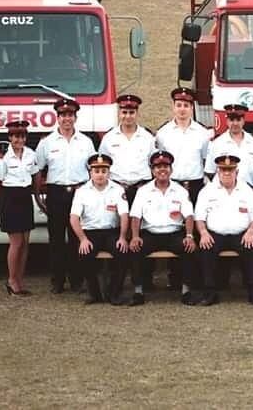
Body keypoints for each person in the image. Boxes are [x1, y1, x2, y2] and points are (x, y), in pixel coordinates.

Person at [35, 98, 95, 294]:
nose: (66, 119)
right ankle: (57, 280)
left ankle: (77, 279)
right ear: (57, 118)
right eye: (62, 115)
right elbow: (38, 170)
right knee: (56, 239)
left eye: (70, 115)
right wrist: (38, 196)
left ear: (75, 117)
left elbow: (93, 170)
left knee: (77, 238)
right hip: (55, 193)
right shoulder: (47, 143)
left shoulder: (86, 142)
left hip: (78, 193)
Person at [128, 150, 198, 306]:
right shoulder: (143, 191)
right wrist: (134, 236)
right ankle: (138, 291)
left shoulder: (180, 190)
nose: (162, 170)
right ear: (152, 171)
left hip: (174, 233)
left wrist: (189, 236)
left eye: (166, 166)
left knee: (189, 248)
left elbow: (188, 215)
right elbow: (135, 216)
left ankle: (186, 291)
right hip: (150, 233)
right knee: (135, 248)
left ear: (171, 170)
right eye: (158, 167)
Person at [195, 154, 253, 305]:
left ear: (236, 172)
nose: (226, 173)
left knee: (252, 248)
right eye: (223, 170)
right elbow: (199, 217)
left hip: (241, 234)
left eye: (230, 170)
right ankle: (209, 292)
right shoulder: (207, 191)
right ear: (217, 172)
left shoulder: (247, 191)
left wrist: (251, 231)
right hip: (215, 233)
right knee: (206, 248)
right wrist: (203, 232)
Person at [69, 154, 129, 305]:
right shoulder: (81, 191)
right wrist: (82, 239)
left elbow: (124, 215)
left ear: (109, 172)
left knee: (122, 252)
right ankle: (94, 294)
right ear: (90, 173)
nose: (100, 174)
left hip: (111, 232)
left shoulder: (117, 189)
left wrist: (122, 237)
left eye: (104, 171)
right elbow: (74, 218)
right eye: (96, 171)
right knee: (84, 253)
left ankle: (114, 293)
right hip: (90, 233)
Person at [0, 120, 39, 296]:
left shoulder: (30, 154)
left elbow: (35, 175)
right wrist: (4, 203)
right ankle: (11, 281)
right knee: (16, 242)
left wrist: (37, 197)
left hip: (25, 197)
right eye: (15, 136)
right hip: (9, 198)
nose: (19, 140)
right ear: (10, 138)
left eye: (22, 136)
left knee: (26, 242)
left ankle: (20, 279)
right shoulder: (2, 158)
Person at [155, 87, 214, 204]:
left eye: (186, 106)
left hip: (196, 185)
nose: (182, 109)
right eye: (179, 105)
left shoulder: (202, 132)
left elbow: (204, 158)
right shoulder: (163, 133)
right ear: (173, 107)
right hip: (172, 184)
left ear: (192, 108)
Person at [98, 94, 155, 205]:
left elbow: (153, 163)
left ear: (137, 114)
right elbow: (103, 164)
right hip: (116, 189)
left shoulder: (148, 137)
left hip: (142, 190)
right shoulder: (109, 138)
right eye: (124, 112)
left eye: (131, 112)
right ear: (119, 114)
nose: (128, 116)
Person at [204, 104, 253, 190]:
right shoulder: (216, 144)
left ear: (243, 121)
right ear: (227, 121)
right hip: (223, 193)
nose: (235, 123)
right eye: (232, 120)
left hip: (249, 192)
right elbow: (210, 172)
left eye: (238, 119)